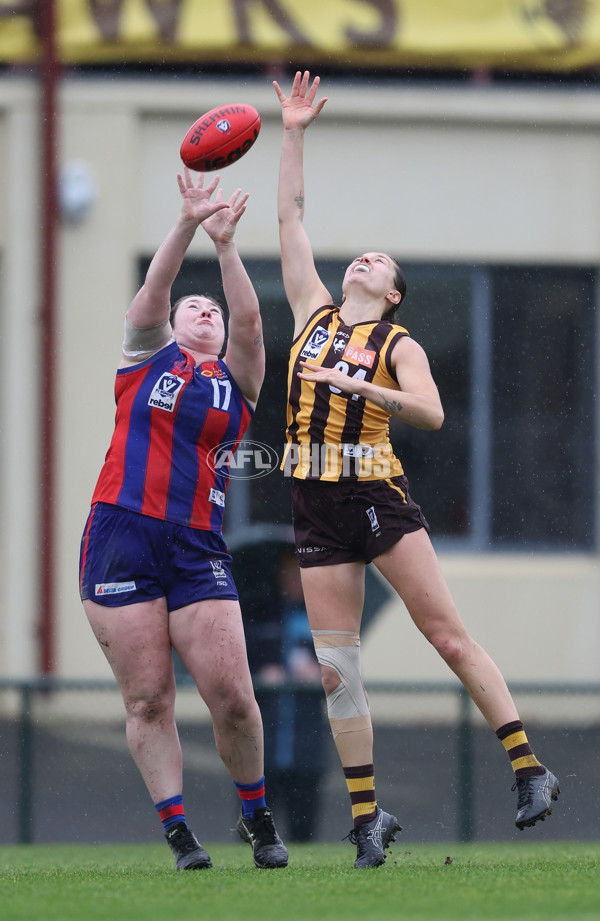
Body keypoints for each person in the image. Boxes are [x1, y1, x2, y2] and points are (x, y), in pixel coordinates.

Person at [273, 71, 560, 869]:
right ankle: (368, 818)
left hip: (376, 494)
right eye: (361, 255)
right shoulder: (313, 314)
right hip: (316, 501)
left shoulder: (397, 346)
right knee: (337, 670)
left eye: (379, 262)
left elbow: (430, 413)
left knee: (445, 635)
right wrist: (292, 130)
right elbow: (291, 216)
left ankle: (530, 767)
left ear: (393, 293)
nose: (364, 259)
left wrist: (357, 384)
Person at [79, 167, 288, 871]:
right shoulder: (144, 356)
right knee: (148, 698)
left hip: (197, 542)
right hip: (120, 535)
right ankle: (179, 832)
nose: (204, 312)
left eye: (213, 311)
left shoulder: (238, 380)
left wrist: (226, 246)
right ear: (171, 325)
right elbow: (153, 293)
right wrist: (186, 223)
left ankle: (256, 815)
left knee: (231, 693)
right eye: (192, 307)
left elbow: (253, 326)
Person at [244, 546, 328, 842]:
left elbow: (346, 675)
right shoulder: (257, 616)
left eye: (300, 573)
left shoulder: (326, 620)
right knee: (256, 829)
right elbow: (237, 665)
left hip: (307, 747)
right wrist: (261, 676)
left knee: (303, 831)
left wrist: (320, 675)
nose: (294, 580)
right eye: (288, 573)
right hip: (263, 743)